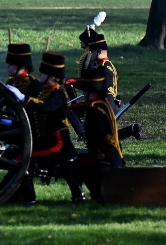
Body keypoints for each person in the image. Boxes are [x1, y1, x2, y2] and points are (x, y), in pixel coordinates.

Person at [7, 52, 84, 204]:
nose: (39, 75)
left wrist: (23, 98)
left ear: (52, 77)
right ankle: (20, 195)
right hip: (46, 142)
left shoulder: (58, 95)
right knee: (22, 156)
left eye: (43, 73)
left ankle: (28, 198)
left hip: (57, 144)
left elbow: (46, 107)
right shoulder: (43, 93)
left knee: (23, 159)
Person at [71, 67, 125, 202]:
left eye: (85, 91)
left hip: (104, 161)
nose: (83, 93)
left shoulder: (94, 110)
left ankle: (90, 194)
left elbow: (96, 140)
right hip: (114, 158)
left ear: (92, 92)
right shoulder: (104, 105)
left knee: (71, 163)